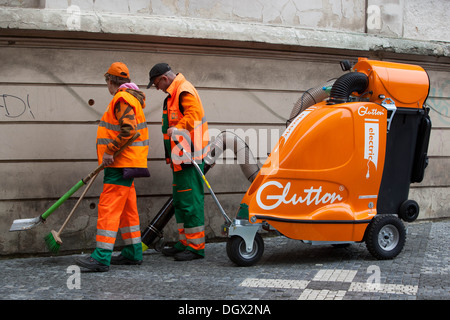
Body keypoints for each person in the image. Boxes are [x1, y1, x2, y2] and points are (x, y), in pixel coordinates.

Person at [75, 62, 149, 272]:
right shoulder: (132, 98)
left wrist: (109, 151)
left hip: (120, 163)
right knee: (128, 210)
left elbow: (128, 130)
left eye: (107, 81)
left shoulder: (121, 99)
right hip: (129, 162)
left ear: (110, 81)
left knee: (108, 208)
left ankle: (101, 258)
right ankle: (133, 252)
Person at [147, 63, 209, 261]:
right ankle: (185, 243)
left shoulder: (183, 90)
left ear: (164, 79)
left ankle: (196, 247)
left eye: (157, 84)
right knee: (182, 202)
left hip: (189, 157)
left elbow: (194, 115)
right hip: (181, 157)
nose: (157, 88)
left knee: (191, 202)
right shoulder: (175, 94)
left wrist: (178, 127)